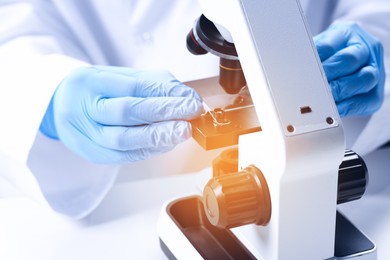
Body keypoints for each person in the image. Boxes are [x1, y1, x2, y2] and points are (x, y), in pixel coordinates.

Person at [0, 0, 388, 219]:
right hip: (115, 203)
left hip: (332, 168)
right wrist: (47, 94)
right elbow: (12, 29)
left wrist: (372, 44)